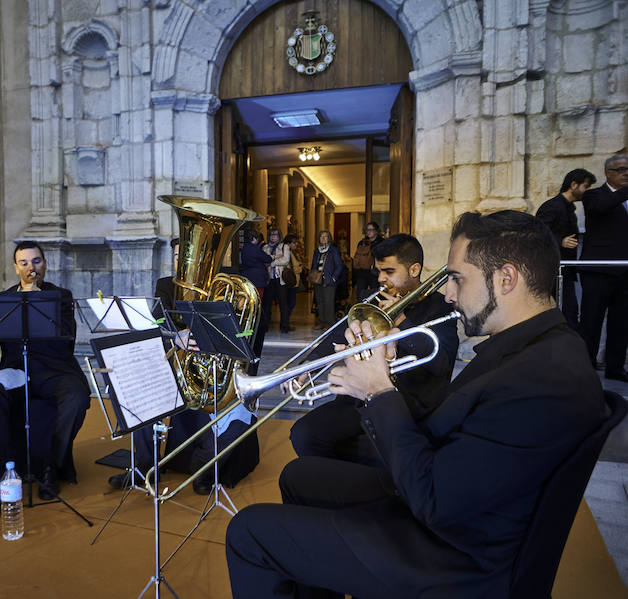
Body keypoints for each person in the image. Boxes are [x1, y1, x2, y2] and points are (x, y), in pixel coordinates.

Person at [225, 210, 607, 599]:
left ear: (506, 279)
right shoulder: (535, 346)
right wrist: (375, 381)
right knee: (297, 476)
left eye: (458, 278)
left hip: (450, 554)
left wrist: (378, 393)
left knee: (248, 532)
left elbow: (434, 499)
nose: (449, 293)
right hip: (445, 501)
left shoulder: (544, 377)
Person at [107, 238, 260, 494]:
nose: (183, 262)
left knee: (238, 416)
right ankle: (145, 467)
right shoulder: (166, 284)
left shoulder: (224, 286)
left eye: (190, 256)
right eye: (178, 256)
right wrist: (175, 335)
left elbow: (244, 330)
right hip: (177, 362)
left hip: (213, 369)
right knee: (137, 388)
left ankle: (204, 466)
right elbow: (158, 320)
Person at [289, 233, 459, 462]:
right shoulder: (373, 298)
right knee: (303, 434)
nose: (380, 278)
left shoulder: (440, 307)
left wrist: (400, 321)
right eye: (378, 271)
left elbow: (443, 362)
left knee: (379, 450)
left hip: (408, 403)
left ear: (414, 270)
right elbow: (339, 335)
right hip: (361, 397)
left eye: (388, 272)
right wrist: (308, 366)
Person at [0, 241, 90, 508]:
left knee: (77, 395)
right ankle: (7, 471)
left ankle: (51, 464)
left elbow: (67, 342)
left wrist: (38, 300)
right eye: (24, 263)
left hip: (54, 369)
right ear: (16, 267)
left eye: (36, 261)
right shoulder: (2, 299)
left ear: (45, 264)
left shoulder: (61, 296)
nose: (31, 268)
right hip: (15, 370)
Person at [579, 154, 628, 381]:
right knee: (591, 321)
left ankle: (615, 368)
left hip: (624, 271)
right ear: (608, 173)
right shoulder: (593, 195)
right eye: (621, 169)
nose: (626, 173)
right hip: (598, 270)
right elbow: (601, 209)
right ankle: (585, 366)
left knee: (621, 323)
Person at [536, 168, 596, 331]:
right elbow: (537, 233)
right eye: (585, 186)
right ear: (574, 184)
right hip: (553, 271)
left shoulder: (568, 208)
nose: (586, 191)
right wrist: (560, 241)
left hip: (565, 271)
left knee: (569, 314)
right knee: (565, 314)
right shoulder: (552, 206)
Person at [309, 230, 344, 330]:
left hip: (328, 279)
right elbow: (313, 265)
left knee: (328, 302)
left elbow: (339, 266)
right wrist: (312, 275)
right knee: (320, 301)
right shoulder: (317, 251)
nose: (323, 238)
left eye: (326, 236)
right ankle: (321, 322)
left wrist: (333, 278)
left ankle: (329, 324)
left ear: (329, 238)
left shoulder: (333, 250)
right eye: (321, 236)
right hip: (317, 279)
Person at [261, 228, 292, 333]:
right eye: (271, 235)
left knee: (283, 303)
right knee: (267, 303)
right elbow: (263, 260)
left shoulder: (284, 247)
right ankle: (265, 326)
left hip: (280, 279)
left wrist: (272, 262)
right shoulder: (265, 247)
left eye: (275, 235)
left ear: (279, 236)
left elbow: (286, 260)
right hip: (268, 279)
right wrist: (274, 257)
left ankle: (284, 325)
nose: (273, 237)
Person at [351, 221, 382, 300]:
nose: (369, 232)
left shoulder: (381, 242)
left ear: (376, 231)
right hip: (361, 272)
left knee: (375, 295)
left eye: (371, 229)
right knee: (360, 294)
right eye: (368, 230)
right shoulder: (362, 243)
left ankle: (374, 311)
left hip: (374, 273)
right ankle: (360, 311)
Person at [239, 230, 271, 298]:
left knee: (249, 298)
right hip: (257, 278)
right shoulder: (255, 248)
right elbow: (267, 259)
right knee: (257, 299)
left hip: (246, 276)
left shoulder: (244, 248)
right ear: (254, 238)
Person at [283, 234, 303, 321]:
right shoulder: (287, 253)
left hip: (294, 282)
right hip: (289, 282)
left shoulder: (293, 252)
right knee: (290, 303)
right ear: (288, 244)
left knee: (291, 303)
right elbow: (291, 268)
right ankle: (285, 322)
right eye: (294, 243)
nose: (296, 244)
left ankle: (286, 322)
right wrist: (300, 268)